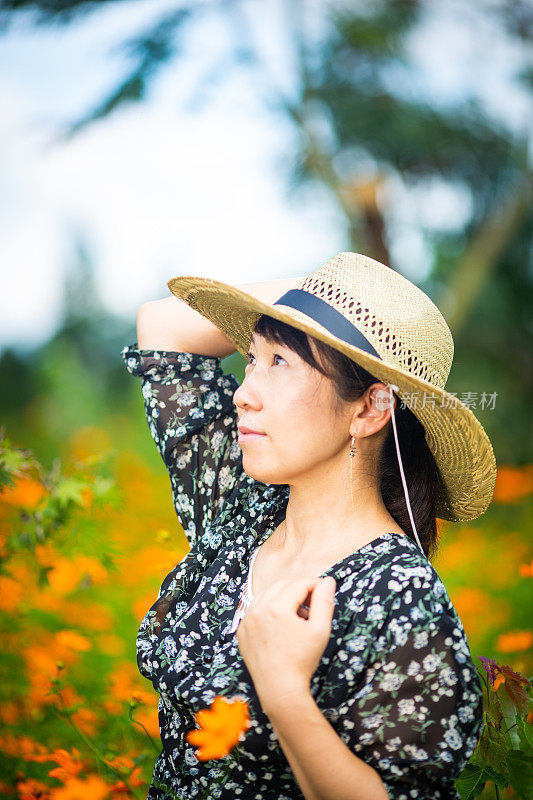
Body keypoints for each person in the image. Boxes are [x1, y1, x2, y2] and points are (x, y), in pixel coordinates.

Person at [121, 251, 497, 800]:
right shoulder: (243, 512)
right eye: (251, 359)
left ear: (369, 409)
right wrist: (330, 295)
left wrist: (282, 688)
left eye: (281, 363)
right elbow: (162, 325)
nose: (242, 392)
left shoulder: (398, 595)